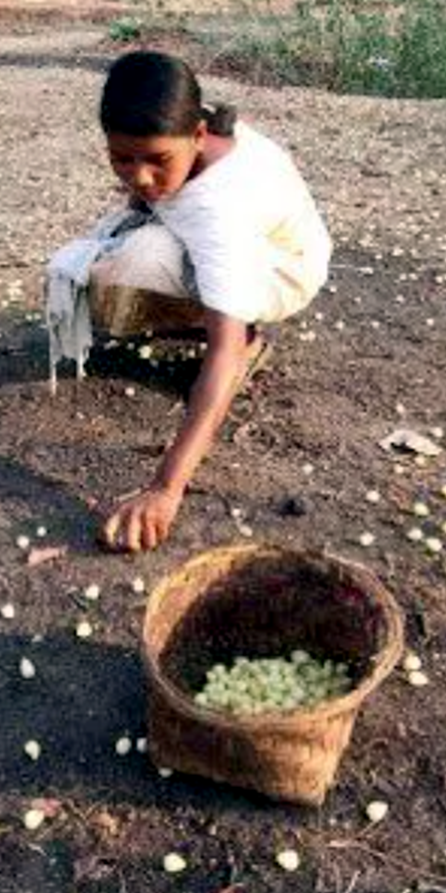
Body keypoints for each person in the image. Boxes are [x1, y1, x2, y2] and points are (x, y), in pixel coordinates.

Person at [44, 51, 331, 553]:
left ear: (198, 136)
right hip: (259, 246)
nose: (140, 177)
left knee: (114, 283)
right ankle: (218, 313)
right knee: (89, 271)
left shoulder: (219, 211)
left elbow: (221, 353)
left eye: (157, 161)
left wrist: (165, 488)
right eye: (122, 159)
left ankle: (244, 331)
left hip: (282, 273)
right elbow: (147, 189)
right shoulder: (193, 130)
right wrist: (145, 198)